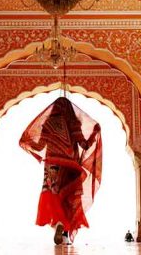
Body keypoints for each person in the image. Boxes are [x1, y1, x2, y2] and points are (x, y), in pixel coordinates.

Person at [19, 97, 103, 245]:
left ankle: (59, 224)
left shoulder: (48, 124)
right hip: (70, 166)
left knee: (53, 195)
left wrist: (26, 141)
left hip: (52, 166)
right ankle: (63, 232)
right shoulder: (73, 123)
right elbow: (84, 144)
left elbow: (39, 147)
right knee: (68, 198)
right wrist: (95, 133)